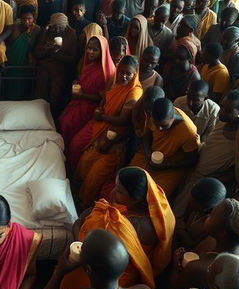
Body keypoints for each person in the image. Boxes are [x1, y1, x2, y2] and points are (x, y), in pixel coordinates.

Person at [173, 91, 239, 216]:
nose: (221, 112)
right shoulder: (223, 120)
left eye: (228, 111)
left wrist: (210, 179)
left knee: (184, 210)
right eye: (222, 106)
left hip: (208, 179)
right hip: (196, 170)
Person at [73, 56, 142, 203]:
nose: (123, 76)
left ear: (135, 74)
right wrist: (99, 109)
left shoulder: (134, 92)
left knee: (94, 176)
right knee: (84, 161)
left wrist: (102, 117)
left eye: (128, 73)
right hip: (102, 132)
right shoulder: (115, 82)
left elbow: (123, 120)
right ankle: (74, 194)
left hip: (117, 139)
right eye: (121, 72)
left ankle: (86, 205)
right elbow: (105, 99)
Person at [130, 97, 200, 198]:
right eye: (156, 125)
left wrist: (165, 165)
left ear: (173, 117)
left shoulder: (188, 132)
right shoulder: (156, 116)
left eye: (164, 126)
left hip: (170, 166)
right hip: (149, 155)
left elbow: (192, 160)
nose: (159, 129)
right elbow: (147, 135)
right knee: (129, 180)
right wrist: (148, 153)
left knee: (155, 197)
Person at [58, 35, 115, 153]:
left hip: (89, 109)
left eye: (95, 50)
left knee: (68, 126)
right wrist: (77, 82)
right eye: (89, 48)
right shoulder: (90, 64)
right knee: (63, 122)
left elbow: (101, 97)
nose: (90, 52)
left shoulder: (106, 71)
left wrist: (81, 96)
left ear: (103, 51)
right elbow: (82, 79)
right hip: (78, 103)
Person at [33, 13, 78, 117]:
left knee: (55, 97)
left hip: (60, 70)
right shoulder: (47, 32)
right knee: (40, 95)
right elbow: (37, 53)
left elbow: (73, 58)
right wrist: (47, 50)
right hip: (44, 69)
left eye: (60, 27)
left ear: (65, 26)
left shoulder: (71, 34)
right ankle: (37, 116)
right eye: (55, 27)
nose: (57, 30)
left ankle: (52, 118)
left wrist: (57, 55)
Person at [173, 177, 227, 250]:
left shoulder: (211, 225)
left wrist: (180, 230)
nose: (190, 203)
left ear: (207, 207)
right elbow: (182, 219)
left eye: (195, 202)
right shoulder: (195, 207)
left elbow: (193, 246)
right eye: (191, 199)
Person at [3, 5, 39, 100]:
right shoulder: (14, 28)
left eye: (29, 18)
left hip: (25, 63)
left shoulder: (37, 30)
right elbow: (6, 44)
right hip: (12, 62)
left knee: (23, 87)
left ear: (34, 18)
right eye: (24, 18)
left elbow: (36, 47)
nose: (26, 21)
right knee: (11, 87)